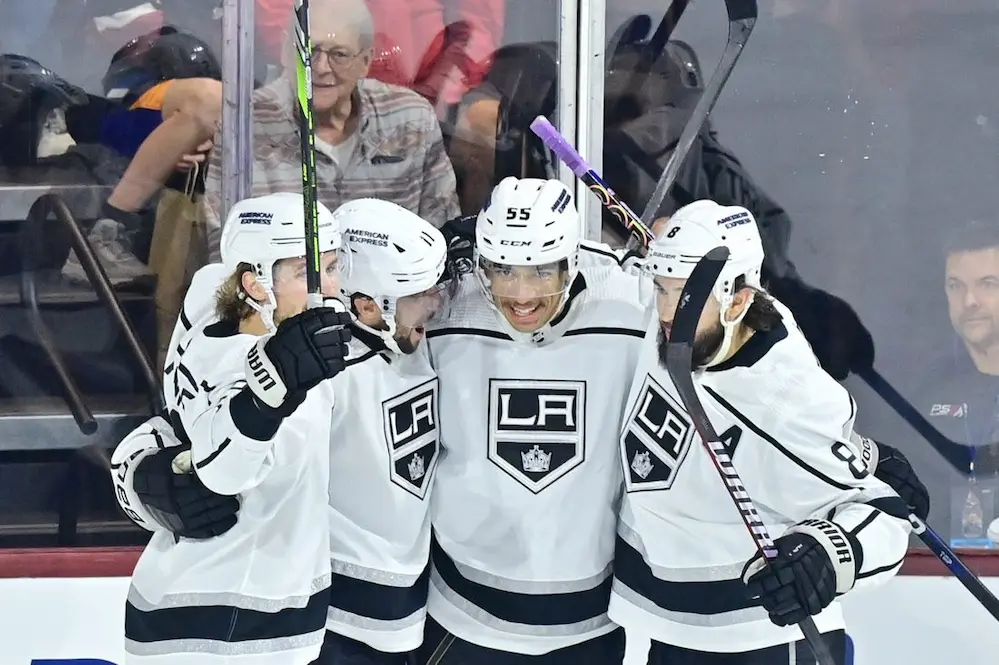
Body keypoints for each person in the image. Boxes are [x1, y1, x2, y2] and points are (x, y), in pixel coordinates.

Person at [610, 200, 912, 664]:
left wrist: (827, 558)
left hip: (762, 641)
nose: (668, 311)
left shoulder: (787, 398)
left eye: (685, 296)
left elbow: (885, 516)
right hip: (671, 628)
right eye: (661, 289)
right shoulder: (673, 319)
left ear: (738, 299)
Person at [110, 192, 352, 664]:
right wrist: (269, 392)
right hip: (219, 628)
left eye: (333, 265)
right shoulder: (238, 364)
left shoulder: (215, 309)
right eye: (307, 272)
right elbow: (224, 472)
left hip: (249, 618)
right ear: (255, 283)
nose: (330, 287)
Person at [419, 176, 649, 664]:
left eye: (541, 272)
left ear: (572, 261)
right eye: (503, 270)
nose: (520, 295)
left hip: (590, 627)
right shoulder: (442, 311)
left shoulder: (633, 308)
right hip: (464, 618)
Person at [201, 0, 461, 262]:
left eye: (339, 54)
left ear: (366, 61)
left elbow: (443, 238)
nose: (322, 67)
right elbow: (225, 252)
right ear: (285, 51)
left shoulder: (409, 118)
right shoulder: (246, 123)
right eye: (309, 51)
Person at [311, 198, 454, 664]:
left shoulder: (410, 343)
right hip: (337, 609)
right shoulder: (324, 373)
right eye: (420, 294)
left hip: (409, 597)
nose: (435, 305)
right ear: (368, 305)